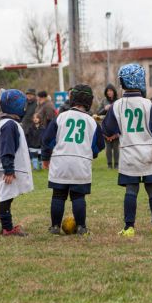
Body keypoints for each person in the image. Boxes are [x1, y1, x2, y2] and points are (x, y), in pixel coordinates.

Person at [102, 63, 152, 237]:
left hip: (129, 154)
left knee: (131, 191)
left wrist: (115, 132)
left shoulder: (117, 105)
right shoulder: (148, 104)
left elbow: (107, 129)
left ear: (123, 82)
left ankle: (129, 227)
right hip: (149, 154)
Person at [42, 84, 104, 235]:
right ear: (89, 101)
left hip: (60, 162)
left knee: (58, 195)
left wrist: (45, 157)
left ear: (71, 99)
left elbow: (47, 139)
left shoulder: (61, 117)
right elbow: (99, 145)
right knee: (78, 196)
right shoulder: (91, 122)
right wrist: (92, 154)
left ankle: (55, 226)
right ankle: (81, 227)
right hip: (81, 163)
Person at [0, 89, 35, 236]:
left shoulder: (8, 123)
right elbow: (7, 148)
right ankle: (7, 228)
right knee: (6, 197)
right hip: (5, 169)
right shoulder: (9, 125)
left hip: (5, 167)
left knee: (8, 197)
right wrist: (8, 169)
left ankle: (6, 226)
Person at [96, 84, 120, 169]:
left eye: (111, 90)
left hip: (116, 127)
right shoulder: (103, 101)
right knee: (108, 148)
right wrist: (105, 109)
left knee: (116, 147)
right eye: (108, 91)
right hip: (106, 128)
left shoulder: (118, 101)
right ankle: (109, 165)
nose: (109, 92)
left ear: (114, 91)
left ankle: (116, 164)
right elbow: (98, 113)